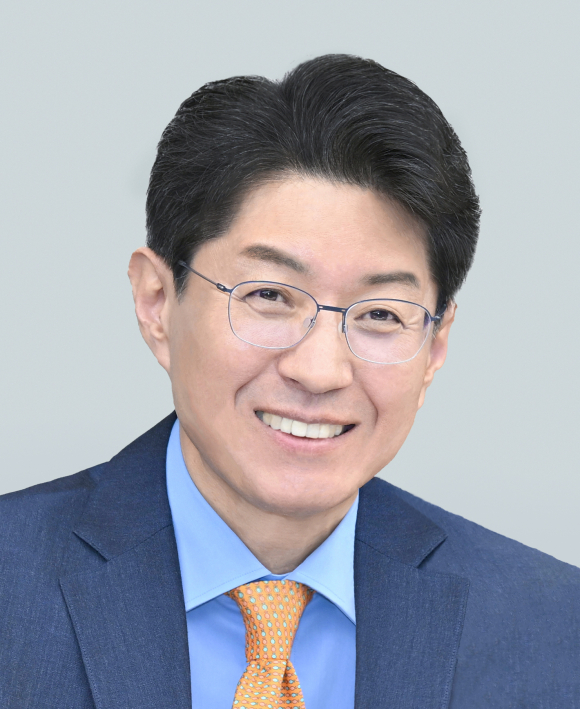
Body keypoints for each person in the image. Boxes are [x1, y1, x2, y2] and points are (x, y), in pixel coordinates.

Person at [1, 54, 578, 709]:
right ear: (157, 301)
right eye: (270, 296)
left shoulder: (553, 628)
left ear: (435, 345)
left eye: (381, 314)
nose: (320, 371)